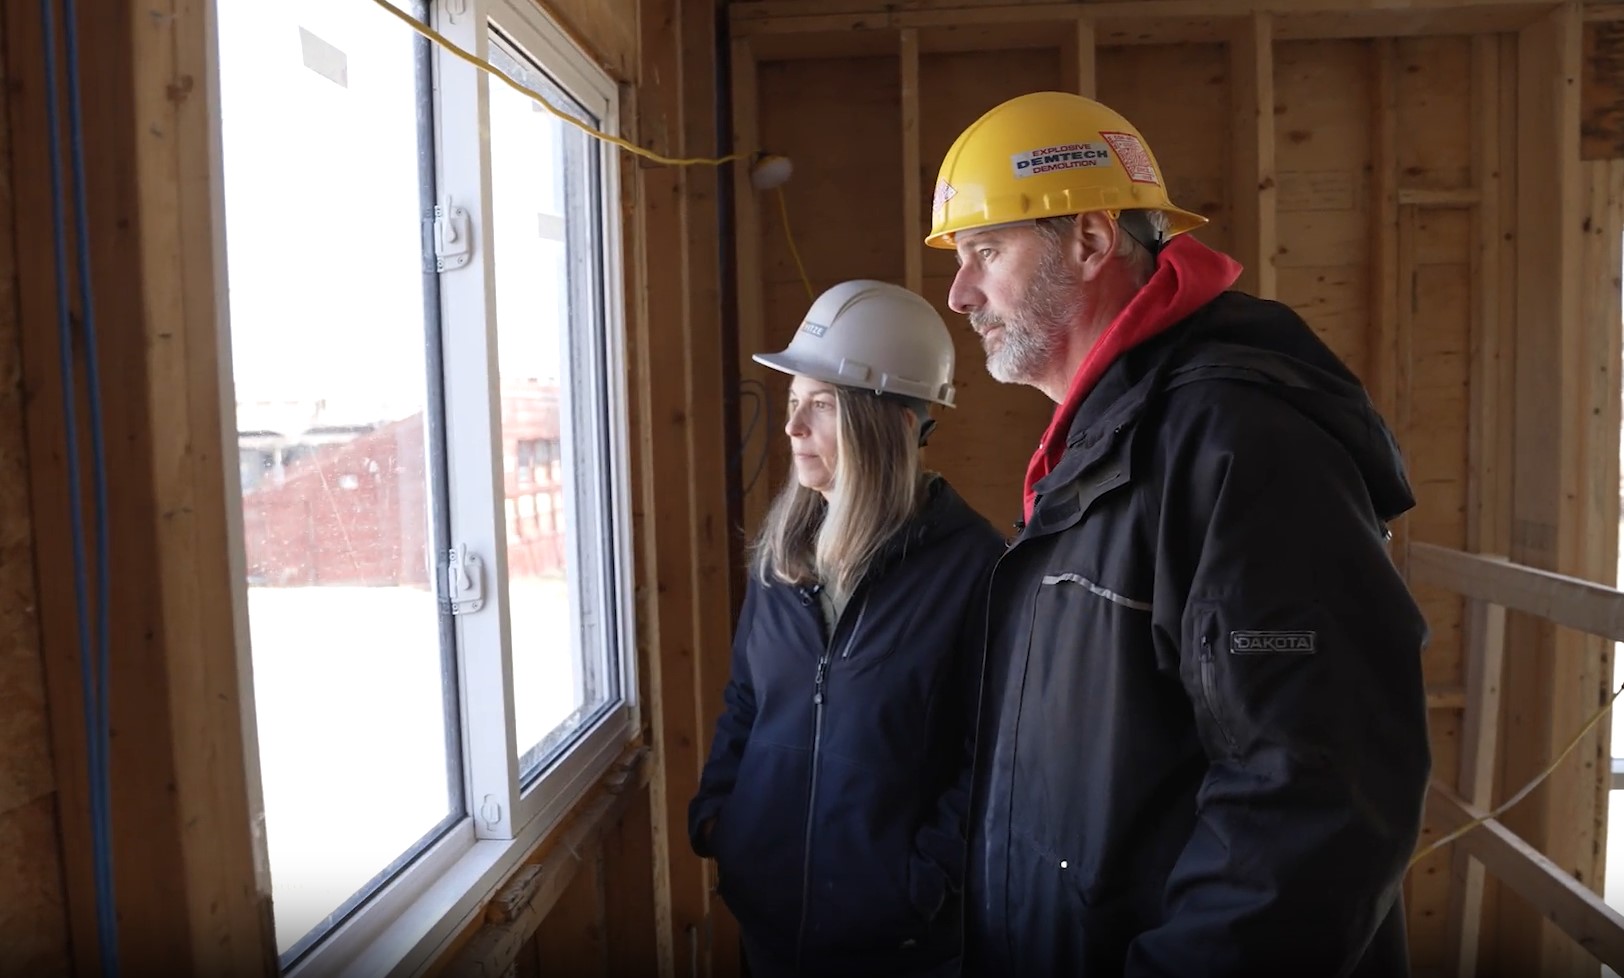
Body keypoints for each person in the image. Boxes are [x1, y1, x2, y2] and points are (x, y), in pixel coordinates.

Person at [926, 90, 1432, 977]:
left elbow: (1315, 797)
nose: (960, 293)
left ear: (1088, 240)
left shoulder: (1239, 442)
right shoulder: (1102, 444)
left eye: (985, 250)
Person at [688, 279, 1004, 978]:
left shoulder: (975, 569)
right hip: (770, 930)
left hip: (900, 947)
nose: (792, 428)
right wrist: (720, 820)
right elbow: (746, 700)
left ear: (887, 422)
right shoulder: (784, 558)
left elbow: (992, 759)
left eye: (821, 406)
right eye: (793, 403)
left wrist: (921, 885)